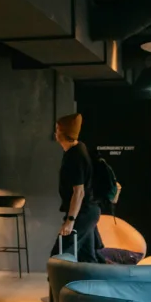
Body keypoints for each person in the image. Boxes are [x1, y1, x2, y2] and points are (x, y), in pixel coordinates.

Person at [52, 113, 101, 264]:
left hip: (83, 213)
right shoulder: (78, 149)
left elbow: (78, 192)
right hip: (88, 211)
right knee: (88, 258)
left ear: (63, 133)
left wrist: (70, 220)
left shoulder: (76, 156)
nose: (55, 132)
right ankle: (95, 286)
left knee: (60, 255)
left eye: (57, 129)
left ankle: (59, 287)